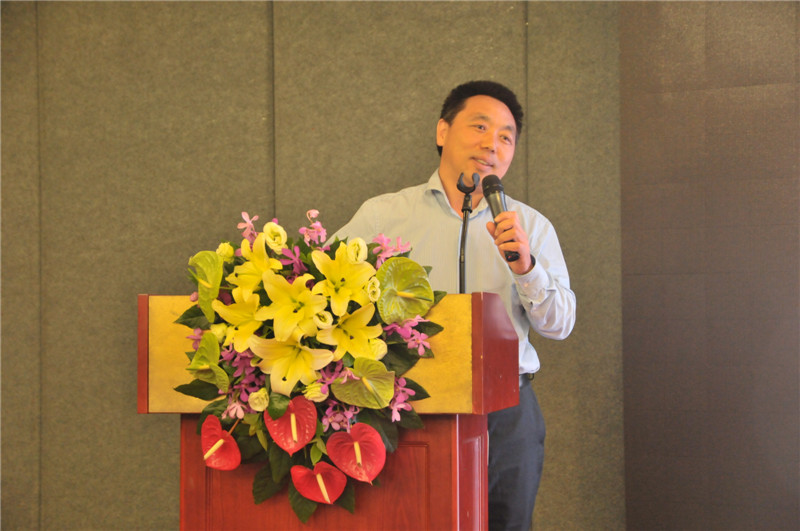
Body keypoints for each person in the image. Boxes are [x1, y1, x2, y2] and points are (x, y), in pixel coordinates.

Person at [332, 80, 576, 531]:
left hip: (507, 409)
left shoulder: (531, 226)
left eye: (505, 137)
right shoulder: (384, 215)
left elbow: (560, 324)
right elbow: (326, 286)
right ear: (442, 131)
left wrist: (526, 267)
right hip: (406, 405)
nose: (491, 144)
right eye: (479, 127)